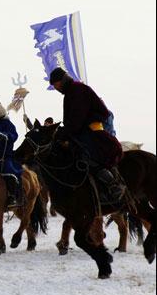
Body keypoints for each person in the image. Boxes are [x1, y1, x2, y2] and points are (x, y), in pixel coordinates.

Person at [49, 67, 124, 200]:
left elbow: (77, 119)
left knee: (88, 155)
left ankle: (113, 185)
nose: (55, 88)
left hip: (92, 129)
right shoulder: (69, 94)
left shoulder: (78, 90)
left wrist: (63, 133)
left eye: (56, 84)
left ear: (62, 80)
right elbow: (71, 121)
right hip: (80, 130)